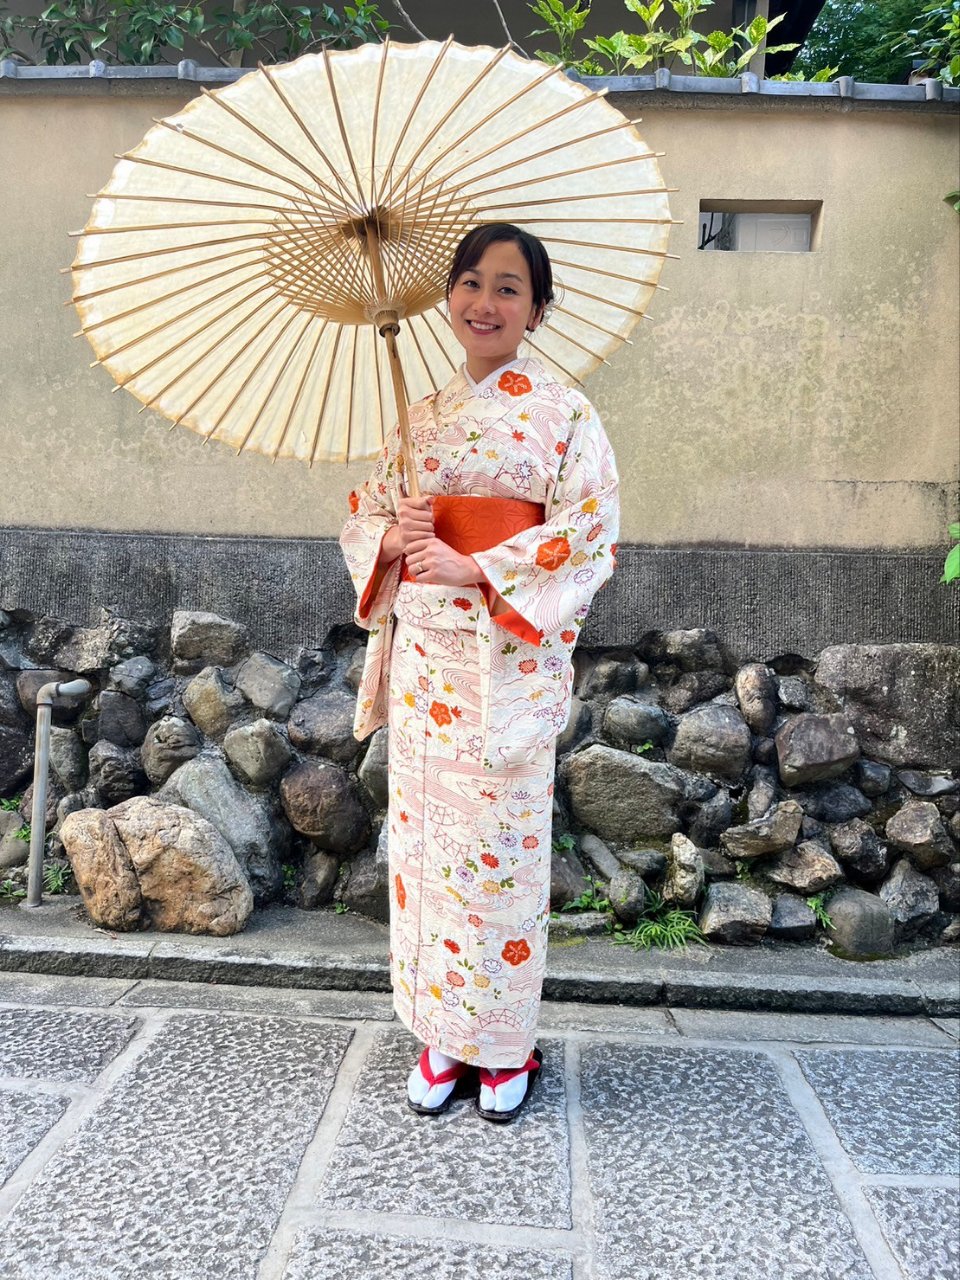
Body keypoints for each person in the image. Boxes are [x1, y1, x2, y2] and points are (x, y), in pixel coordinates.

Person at [340, 222, 619, 1123]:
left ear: (538, 309)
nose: (484, 302)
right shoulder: (418, 417)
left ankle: (504, 1045)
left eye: (508, 287)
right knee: (428, 852)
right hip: (429, 666)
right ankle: (440, 1035)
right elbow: (365, 518)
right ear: (448, 297)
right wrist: (395, 536)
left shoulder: (566, 413)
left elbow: (590, 534)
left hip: (507, 666)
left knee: (500, 854)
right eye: (470, 282)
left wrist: (481, 565)